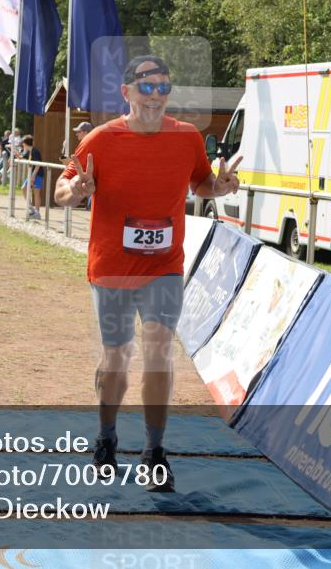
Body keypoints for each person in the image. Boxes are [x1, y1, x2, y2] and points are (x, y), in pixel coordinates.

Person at [55, 55, 241, 492]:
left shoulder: (187, 137)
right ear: (127, 93)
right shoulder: (102, 138)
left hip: (164, 268)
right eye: (146, 86)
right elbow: (64, 187)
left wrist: (221, 186)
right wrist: (77, 190)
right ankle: (106, 438)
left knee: (158, 354)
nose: (155, 95)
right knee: (117, 359)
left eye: (163, 87)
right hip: (113, 269)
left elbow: (201, 183)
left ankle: (154, 452)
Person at [20, 135, 44, 220]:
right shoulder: (29, 151)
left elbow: (38, 164)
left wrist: (33, 176)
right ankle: (31, 208)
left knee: (36, 193)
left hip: (37, 174)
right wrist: (16, 155)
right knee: (24, 188)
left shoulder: (35, 151)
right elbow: (22, 157)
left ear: (25, 143)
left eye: (22, 144)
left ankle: (37, 213)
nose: (22, 145)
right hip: (32, 174)